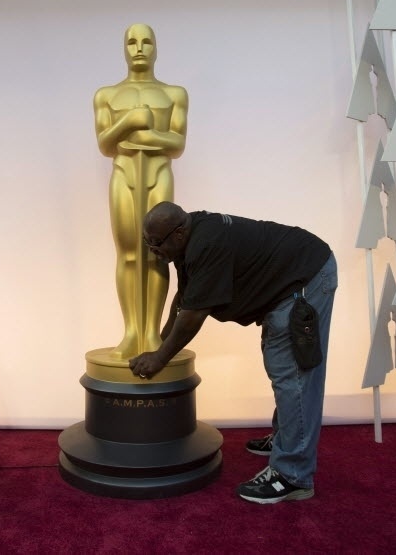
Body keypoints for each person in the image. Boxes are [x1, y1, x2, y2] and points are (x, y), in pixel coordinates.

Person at [129, 202, 337, 504]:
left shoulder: (206, 244)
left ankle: (292, 474)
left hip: (306, 278)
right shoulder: (190, 237)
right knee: (283, 366)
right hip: (290, 276)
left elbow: (193, 315)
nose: (153, 252)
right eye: (147, 243)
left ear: (177, 234)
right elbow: (185, 299)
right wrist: (159, 344)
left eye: (156, 244)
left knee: (293, 372)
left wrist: (161, 358)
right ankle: (287, 440)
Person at [93, 23, 188, 359]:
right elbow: (106, 144)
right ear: (124, 48)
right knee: (129, 253)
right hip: (124, 173)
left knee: (157, 251)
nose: (139, 47)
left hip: (159, 173)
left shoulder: (174, 94)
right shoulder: (106, 95)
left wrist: (147, 138)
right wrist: (130, 121)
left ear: (156, 48)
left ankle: (152, 332)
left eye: (147, 41)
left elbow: (177, 144)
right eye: (132, 41)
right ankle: (132, 331)